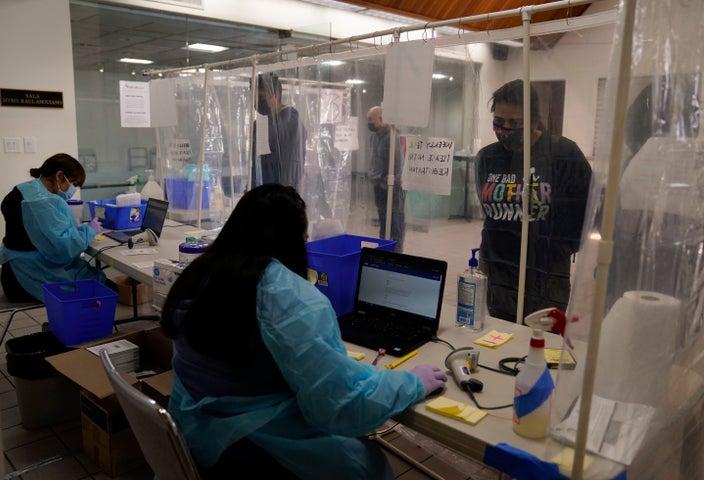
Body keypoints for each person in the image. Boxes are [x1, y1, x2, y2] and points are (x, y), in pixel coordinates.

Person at [160, 183, 447, 479]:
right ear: (294, 240)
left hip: (196, 438)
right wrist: (412, 383)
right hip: (256, 453)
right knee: (365, 465)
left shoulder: (202, 274)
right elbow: (340, 404)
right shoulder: (289, 297)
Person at [474, 80, 592, 322]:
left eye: (515, 123)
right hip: (498, 271)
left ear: (535, 120)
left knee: (540, 344)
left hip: (545, 274)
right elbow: (489, 210)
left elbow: (587, 209)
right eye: (499, 122)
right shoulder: (488, 157)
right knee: (501, 339)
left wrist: (559, 247)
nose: (505, 130)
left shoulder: (562, 154)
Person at [0, 153, 110, 303]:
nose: (73, 189)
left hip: (13, 274)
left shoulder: (24, 190)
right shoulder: (44, 202)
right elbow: (63, 249)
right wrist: (89, 230)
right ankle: (78, 325)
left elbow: (45, 235)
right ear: (60, 176)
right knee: (103, 284)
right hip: (30, 279)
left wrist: (81, 230)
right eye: (73, 183)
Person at [252, 73, 307, 190]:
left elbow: (291, 162)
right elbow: (258, 160)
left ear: (276, 95)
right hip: (264, 187)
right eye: (254, 98)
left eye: (261, 97)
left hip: (281, 188)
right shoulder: (263, 122)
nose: (257, 102)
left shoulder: (290, 121)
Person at [367, 105, 406, 252]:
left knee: (395, 223)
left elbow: (398, 164)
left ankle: (396, 254)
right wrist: (374, 178)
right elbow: (374, 161)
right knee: (383, 222)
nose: (369, 123)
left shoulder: (392, 137)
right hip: (379, 185)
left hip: (391, 188)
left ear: (381, 119)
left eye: (371, 120)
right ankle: (384, 252)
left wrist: (389, 183)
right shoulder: (374, 137)